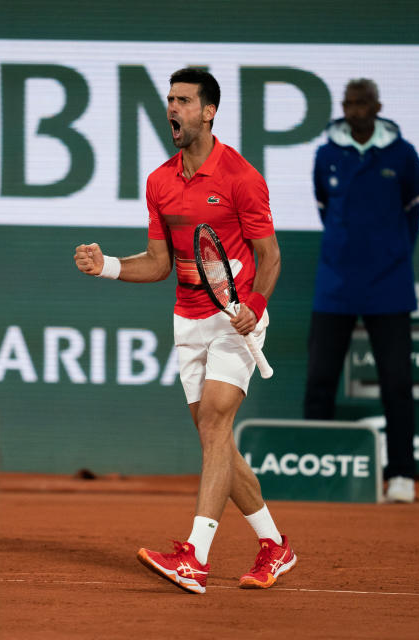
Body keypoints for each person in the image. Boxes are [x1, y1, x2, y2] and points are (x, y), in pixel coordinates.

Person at [74, 68, 294, 594]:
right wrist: (106, 265)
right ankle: (275, 546)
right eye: (169, 99)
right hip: (188, 320)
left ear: (208, 111)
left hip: (236, 318)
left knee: (216, 425)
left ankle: (195, 555)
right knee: (216, 441)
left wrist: (255, 305)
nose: (172, 108)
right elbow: (157, 263)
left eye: (183, 100)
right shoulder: (158, 182)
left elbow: (270, 257)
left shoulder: (242, 178)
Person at [303, 78, 419, 503]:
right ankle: (314, 470)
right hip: (335, 284)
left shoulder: (403, 156)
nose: (354, 110)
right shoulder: (325, 155)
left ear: (377, 106)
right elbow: (325, 207)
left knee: (396, 381)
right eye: (348, 103)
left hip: (388, 285)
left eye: (362, 103)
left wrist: (390, 254)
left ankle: (403, 476)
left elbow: (412, 213)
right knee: (320, 379)